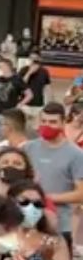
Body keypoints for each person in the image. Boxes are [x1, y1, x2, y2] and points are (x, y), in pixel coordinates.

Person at [22, 103, 83, 244]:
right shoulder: (28, 148)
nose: (47, 126)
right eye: (44, 121)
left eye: (53, 122)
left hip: (60, 227)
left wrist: (47, 198)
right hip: (29, 225)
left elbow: (80, 194)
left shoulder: (76, 155)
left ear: (63, 123)